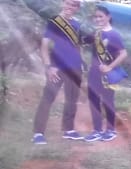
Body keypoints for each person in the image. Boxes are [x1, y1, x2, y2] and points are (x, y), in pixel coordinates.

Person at [33, 0, 87, 145]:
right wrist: (48, 66)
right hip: (57, 67)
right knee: (48, 98)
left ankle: (68, 130)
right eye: (68, 3)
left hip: (74, 67)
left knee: (72, 99)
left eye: (74, 5)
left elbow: (78, 46)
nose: (70, 7)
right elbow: (44, 46)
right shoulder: (55, 21)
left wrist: (82, 63)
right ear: (63, 3)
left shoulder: (77, 24)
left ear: (77, 8)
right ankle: (38, 133)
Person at [85, 5, 127, 142]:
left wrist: (110, 67)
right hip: (94, 73)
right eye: (96, 17)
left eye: (100, 16)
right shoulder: (95, 33)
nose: (98, 19)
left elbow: (123, 54)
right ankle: (97, 130)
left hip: (108, 75)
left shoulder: (114, 35)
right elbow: (81, 42)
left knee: (108, 101)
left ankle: (110, 130)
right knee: (94, 101)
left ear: (108, 17)